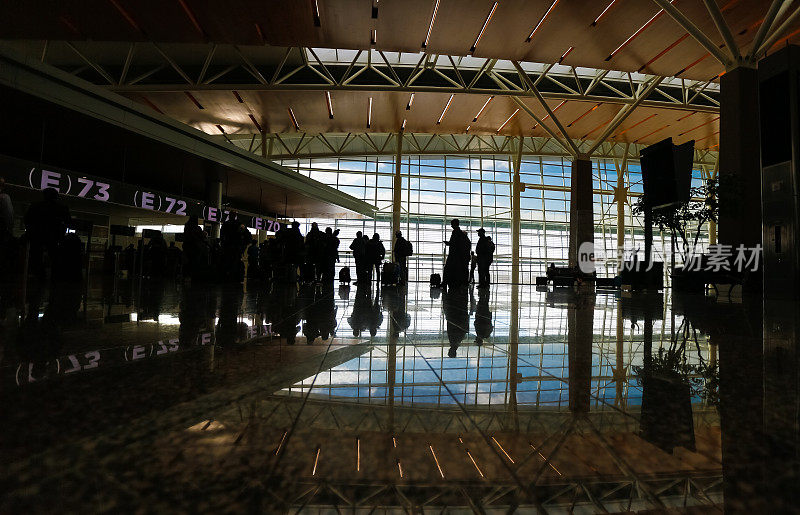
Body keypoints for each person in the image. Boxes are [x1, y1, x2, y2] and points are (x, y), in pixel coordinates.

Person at [24, 187, 71, 278]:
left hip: (37, 236)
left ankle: (40, 274)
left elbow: (27, 220)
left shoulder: (35, 206)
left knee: (37, 255)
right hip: (54, 236)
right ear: (56, 197)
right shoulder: (62, 208)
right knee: (54, 256)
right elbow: (68, 222)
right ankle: (55, 275)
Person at [442, 219, 470, 292]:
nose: (451, 226)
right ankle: (451, 283)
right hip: (457, 256)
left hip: (454, 255)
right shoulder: (461, 234)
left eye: (452, 224)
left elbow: (455, 244)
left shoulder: (456, 232)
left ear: (454, 224)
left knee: (447, 269)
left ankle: (445, 283)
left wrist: (449, 244)